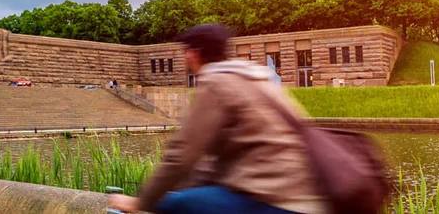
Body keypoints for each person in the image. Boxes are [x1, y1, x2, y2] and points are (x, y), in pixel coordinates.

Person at [107, 24, 326, 214]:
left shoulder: (216, 82)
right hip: (309, 192)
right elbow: (211, 166)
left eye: (186, 51)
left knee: (175, 204)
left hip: (275, 199)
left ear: (195, 53)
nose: (185, 57)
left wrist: (141, 201)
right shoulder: (256, 78)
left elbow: (181, 156)